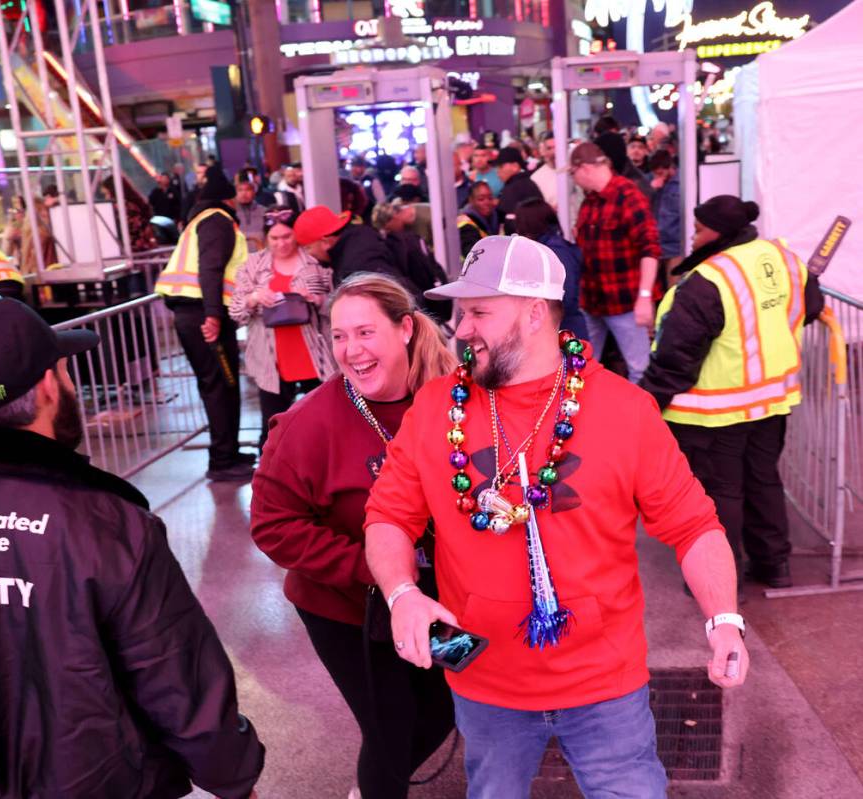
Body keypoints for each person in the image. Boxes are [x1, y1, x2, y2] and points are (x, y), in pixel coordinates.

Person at [364, 234, 750, 799]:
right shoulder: (435, 407)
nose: (461, 329)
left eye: (478, 312)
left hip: (606, 685)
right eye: (459, 312)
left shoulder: (624, 409)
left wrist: (724, 622)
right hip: (485, 683)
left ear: (534, 313)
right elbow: (388, 517)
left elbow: (694, 526)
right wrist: (401, 594)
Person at [0, 298, 264, 798]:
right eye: (64, 370)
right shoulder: (107, 524)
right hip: (103, 781)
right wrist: (233, 775)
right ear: (48, 386)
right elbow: (175, 674)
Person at [251, 273, 457, 799]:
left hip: (443, 601)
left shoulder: (452, 397)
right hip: (347, 609)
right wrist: (378, 569)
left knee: (444, 708)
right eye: (339, 335)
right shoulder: (307, 424)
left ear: (406, 329)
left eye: (365, 333)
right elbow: (272, 526)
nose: (350, 350)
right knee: (389, 732)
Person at [639, 196, 823, 590]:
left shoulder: (707, 281)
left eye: (699, 229)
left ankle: (720, 579)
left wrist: (645, 405)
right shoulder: (782, 258)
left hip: (712, 414)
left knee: (719, 495)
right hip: (771, 402)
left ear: (718, 233)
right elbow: (810, 306)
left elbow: (675, 360)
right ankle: (774, 565)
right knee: (762, 481)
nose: (692, 235)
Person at [155, 164, 254, 481]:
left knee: (221, 384)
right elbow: (209, 270)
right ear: (228, 199)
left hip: (195, 313)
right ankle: (222, 460)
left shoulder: (199, 220)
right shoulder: (219, 222)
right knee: (220, 385)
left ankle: (228, 451)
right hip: (203, 315)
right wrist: (212, 315)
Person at [229, 207, 336, 449]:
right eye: (274, 238)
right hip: (271, 357)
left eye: (287, 237)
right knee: (273, 427)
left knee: (324, 419)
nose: (281, 244)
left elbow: (337, 304)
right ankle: (271, 475)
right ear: (265, 237)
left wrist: (318, 300)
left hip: (314, 352)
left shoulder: (315, 262)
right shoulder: (253, 265)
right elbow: (236, 311)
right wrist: (255, 297)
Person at [571, 142, 661, 383]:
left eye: (573, 172)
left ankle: (642, 419)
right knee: (582, 366)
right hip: (592, 300)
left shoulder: (629, 196)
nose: (573, 179)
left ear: (585, 168)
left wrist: (644, 297)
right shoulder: (590, 202)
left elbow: (650, 249)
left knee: (639, 368)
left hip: (625, 301)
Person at [509, 200, 590, 340]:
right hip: (555, 328)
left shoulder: (556, 252)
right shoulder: (541, 249)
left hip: (565, 332)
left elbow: (566, 296)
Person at [293, 205, 415, 292]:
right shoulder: (360, 239)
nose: (309, 254)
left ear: (325, 242)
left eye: (308, 248)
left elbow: (394, 298)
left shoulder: (356, 267)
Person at [371, 203, 452, 326]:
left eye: (385, 227)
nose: (385, 231)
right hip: (428, 303)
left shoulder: (402, 241)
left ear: (393, 219)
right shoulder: (405, 239)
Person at [647, 150, 682, 280]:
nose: (657, 176)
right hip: (655, 242)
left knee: (673, 286)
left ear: (670, 168)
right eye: (654, 173)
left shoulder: (682, 184)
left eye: (660, 173)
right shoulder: (649, 181)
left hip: (675, 245)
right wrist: (651, 190)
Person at [494, 148, 544, 236]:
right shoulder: (525, 182)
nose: (497, 171)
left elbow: (510, 222)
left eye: (501, 166)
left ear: (515, 166)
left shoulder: (515, 187)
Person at [102, 177, 158, 252]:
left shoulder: (122, 207)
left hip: (134, 251)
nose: (106, 198)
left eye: (107, 194)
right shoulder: (134, 203)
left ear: (114, 191)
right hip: (147, 248)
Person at [457, 181, 499, 258]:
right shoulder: (465, 225)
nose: (487, 202)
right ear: (471, 200)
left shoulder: (496, 216)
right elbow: (471, 254)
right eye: (481, 199)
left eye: (490, 198)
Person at [19, 196, 59, 275]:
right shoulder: (43, 235)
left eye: (46, 210)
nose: (45, 213)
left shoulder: (29, 233)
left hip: (34, 275)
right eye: (41, 210)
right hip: (49, 275)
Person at [234, 171, 267, 253]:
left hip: (261, 256)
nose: (244, 193)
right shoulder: (230, 213)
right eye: (240, 190)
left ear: (254, 192)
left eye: (248, 189)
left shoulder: (264, 211)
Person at [529, 132, 559, 211]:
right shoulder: (536, 179)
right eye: (549, 148)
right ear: (542, 152)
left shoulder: (574, 171)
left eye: (557, 147)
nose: (554, 152)